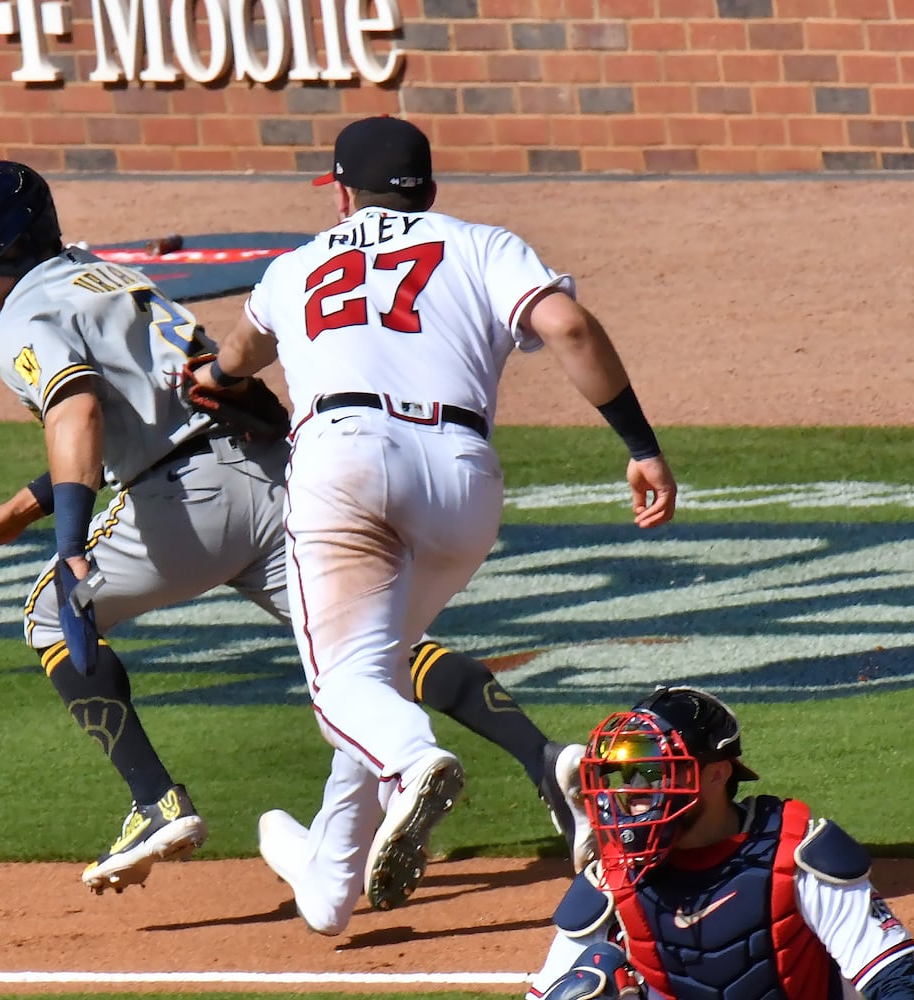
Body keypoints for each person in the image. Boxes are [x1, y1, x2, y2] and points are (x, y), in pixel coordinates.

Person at [0, 158, 593, 899]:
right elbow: (167, 404)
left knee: (50, 615)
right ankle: (544, 759)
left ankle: (155, 803)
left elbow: (79, 412)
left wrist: (68, 545)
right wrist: (16, 510)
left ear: (6, 247)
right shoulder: (107, 277)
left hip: (186, 506)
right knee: (374, 648)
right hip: (277, 479)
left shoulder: (23, 315)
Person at [194, 114, 678, 934]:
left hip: (343, 465)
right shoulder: (484, 244)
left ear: (341, 192)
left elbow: (237, 359)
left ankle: (415, 762)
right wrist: (640, 446)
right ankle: (328, 884)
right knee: (373, 673)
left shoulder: (296, 266)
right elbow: (566, 326)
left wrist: (208, 373)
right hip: (461, 480)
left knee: (340, 688)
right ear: (431, 187)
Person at [528, 686, 914, 1000]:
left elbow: (897, 979)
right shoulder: (615, 875)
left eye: (651, 772)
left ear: (716, 775)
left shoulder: (794, 857)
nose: (634, 791)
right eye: (625, 774)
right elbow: (544, 993)